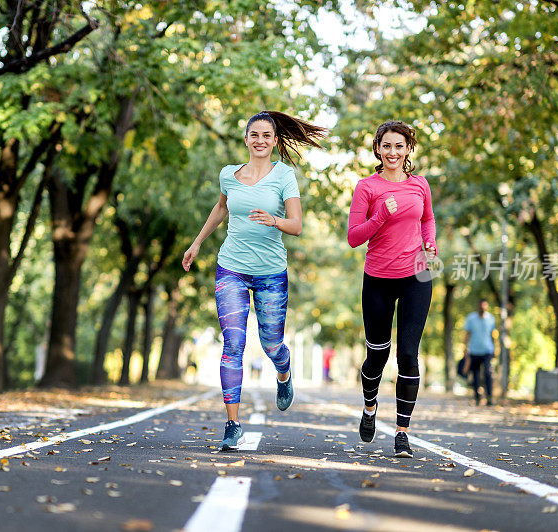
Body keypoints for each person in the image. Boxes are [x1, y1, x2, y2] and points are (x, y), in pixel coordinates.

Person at [182, 110, 326, 451]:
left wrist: (274, 220)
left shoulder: (284, 175)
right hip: (231, 266)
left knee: (271, 343)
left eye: (267, 136)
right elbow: (221, 208)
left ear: (275, 141)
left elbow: (297, 225)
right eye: (254, 135)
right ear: (246, 139)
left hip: (271, 271)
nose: (260, 140)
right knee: (232, 344)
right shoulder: (229, 174)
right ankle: (232, 424)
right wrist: (197, 242)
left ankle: (284, 369)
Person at [347, 120, 437, 458]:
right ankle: (370, 407)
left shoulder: (420, 185)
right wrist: (380, 216)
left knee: (408, 355)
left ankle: (402, 433)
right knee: (377, 356)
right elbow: (355, 237)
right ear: (377, 148)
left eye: (399, 146)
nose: (393, 152)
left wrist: (430, 242)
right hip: (378, 279)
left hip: (417, 274)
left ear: (408, 149)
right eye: (387, 146)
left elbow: (427, 219)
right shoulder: (366, 188)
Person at [462, 298, 496, 406]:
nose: (482, 308)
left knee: (488, 373)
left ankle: (489, 397)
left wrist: (495, 349)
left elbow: (493, 335)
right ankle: (477, 397)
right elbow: (467, 334)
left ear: (487, 307)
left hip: (487, 350)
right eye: (481, 306)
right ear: (478, 306)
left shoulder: (491, 318)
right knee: (475, 374)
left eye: (484, 306)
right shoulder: (471, 318)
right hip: (474, 350)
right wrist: (465, 348)